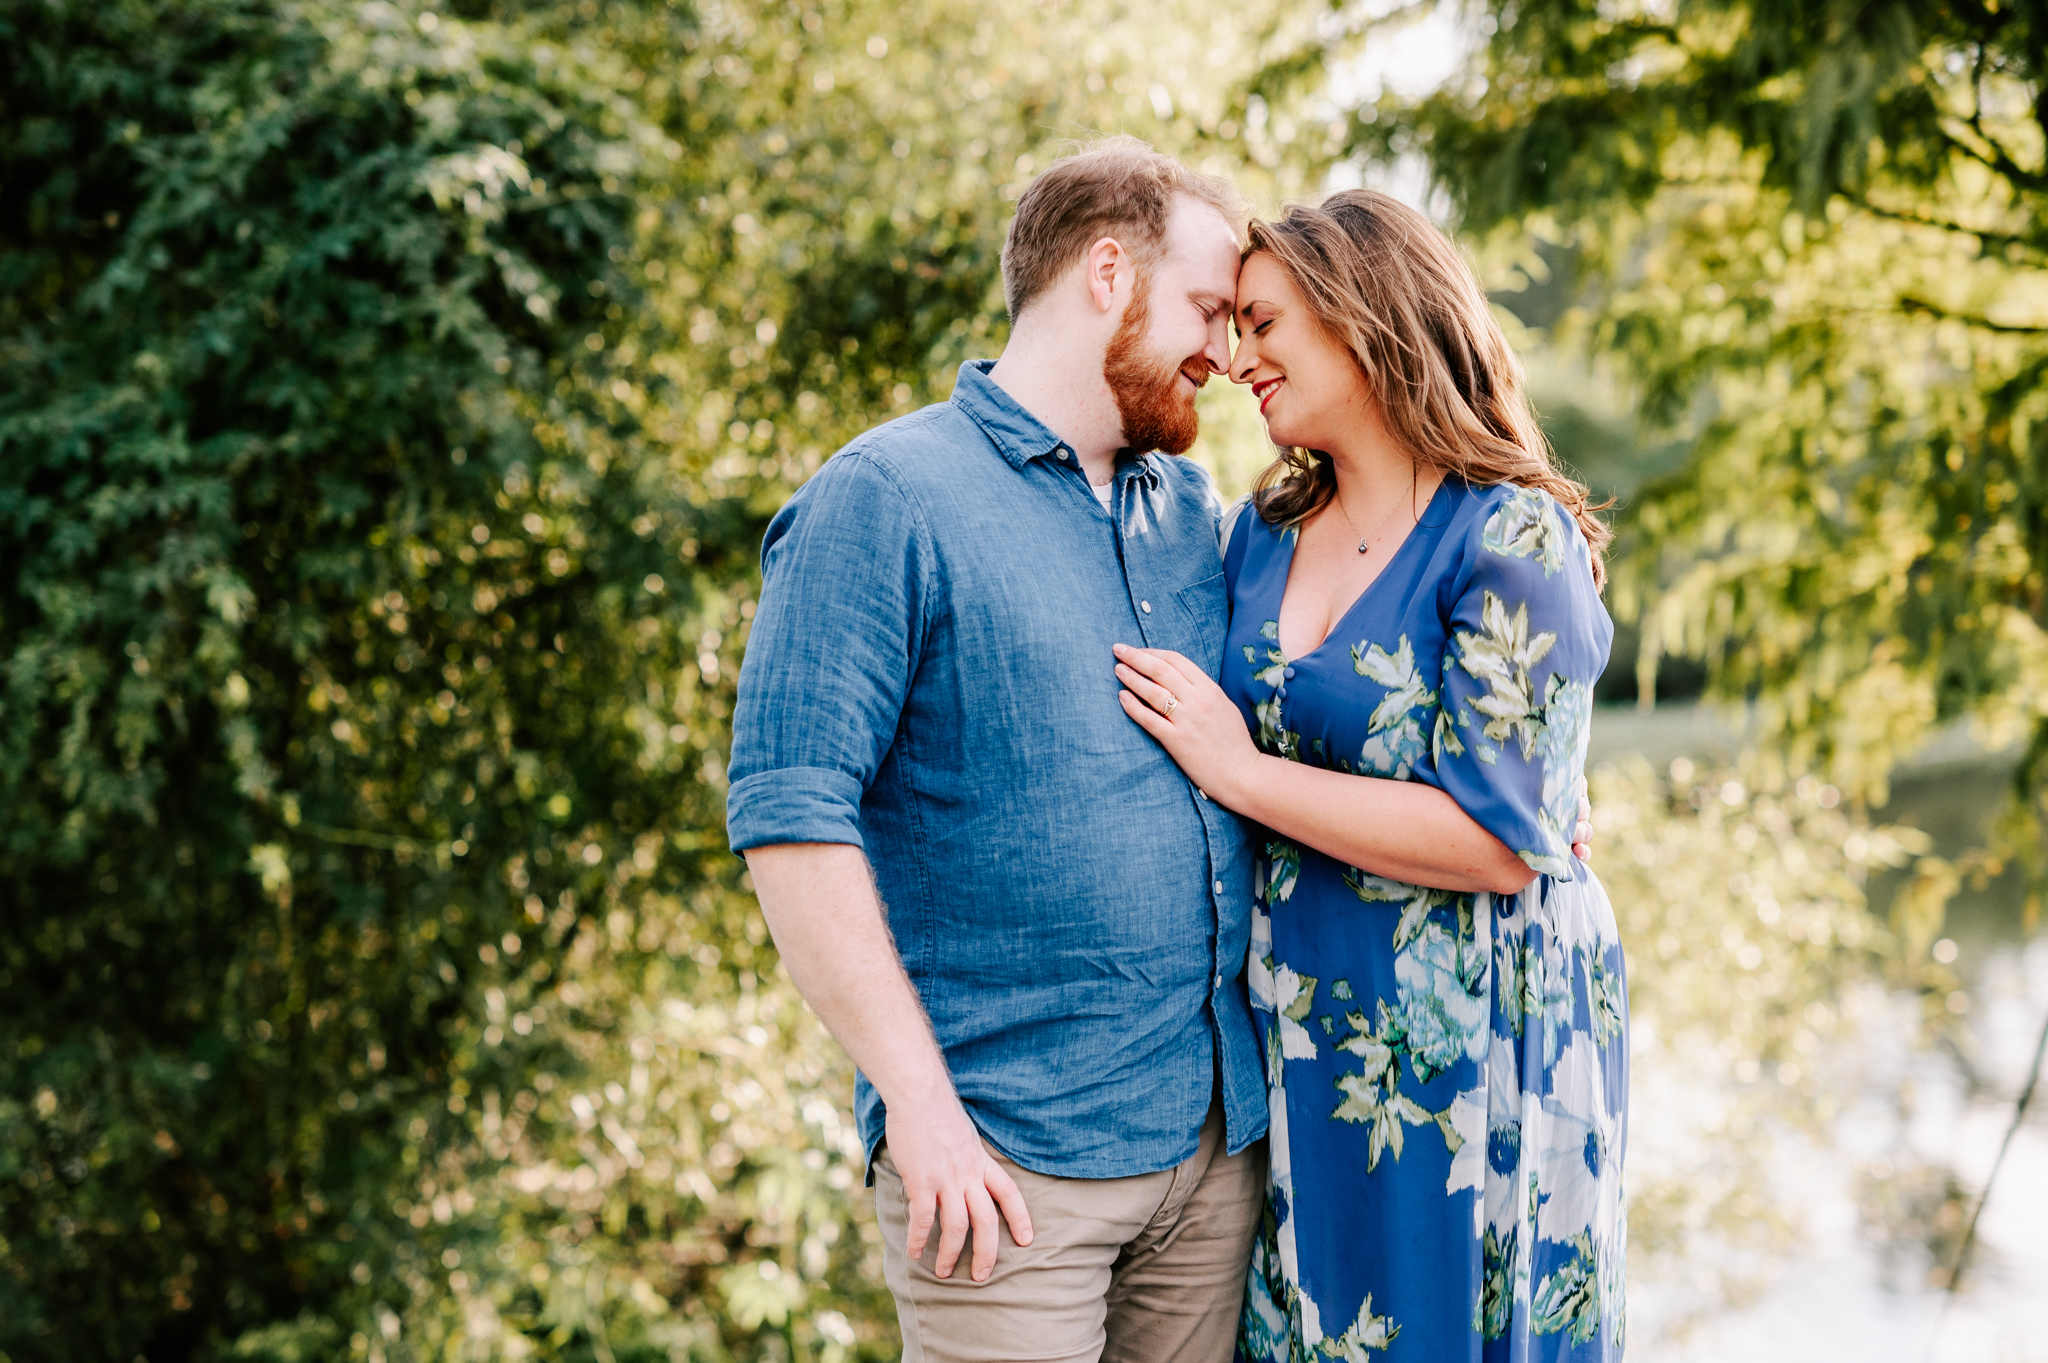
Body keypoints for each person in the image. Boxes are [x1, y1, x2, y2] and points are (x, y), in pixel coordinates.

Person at [726, 138, 1593, 1363]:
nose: (1224, 354)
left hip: (1229, 1153)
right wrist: (916, 1110)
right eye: (1206, 309)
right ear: (1105, 272)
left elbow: (1386, 716)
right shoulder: (888, 496)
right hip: (1011, 1162)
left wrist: (1524, 800)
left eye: (1248, 323)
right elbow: (788, 816)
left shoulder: (1197, 518)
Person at [1110, 190, 1625, 1360]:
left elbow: (1499, 844)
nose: (1237, 360)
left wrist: (1240, 772)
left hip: (1474, 1028)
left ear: (1360, 317)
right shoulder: (1257, 530)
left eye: (1262, 324)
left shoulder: (1508, 536)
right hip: (1296, 1027)